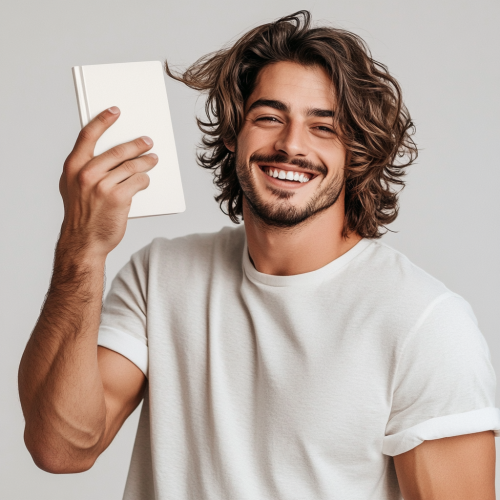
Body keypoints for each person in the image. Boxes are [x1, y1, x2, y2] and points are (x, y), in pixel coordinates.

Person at [18, 10, 499, 500]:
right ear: (233, 133)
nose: (291, 145)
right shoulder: (159, 276)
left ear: (356, 152)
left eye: (324, 128)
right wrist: (82, 248)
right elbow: (61, 448)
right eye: (269, 117)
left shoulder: (424, 323)